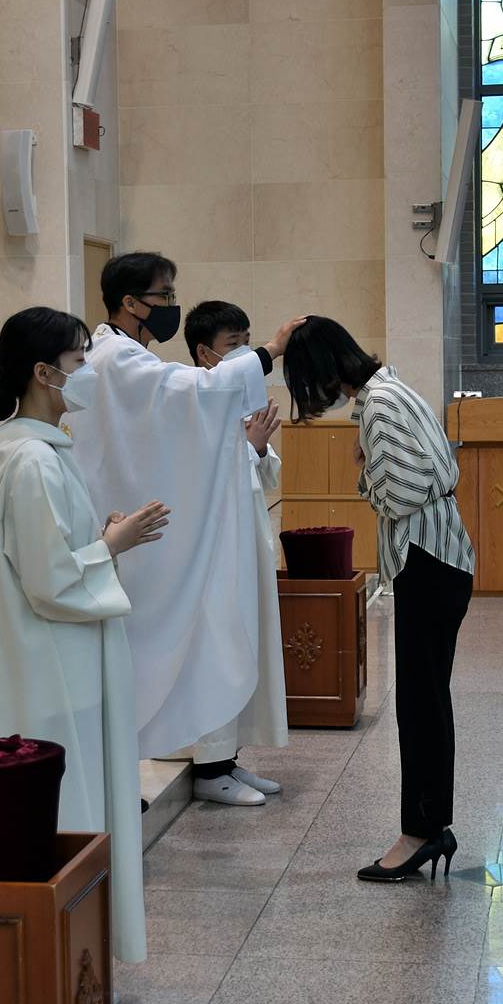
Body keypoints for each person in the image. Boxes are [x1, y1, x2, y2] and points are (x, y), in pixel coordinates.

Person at [0, 307, 172, 987]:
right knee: (66, 816)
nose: (89, 372)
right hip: (54, 671)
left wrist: (99, 539)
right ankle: (63, 987)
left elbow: (53, 557)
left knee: (80, 813)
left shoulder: (42, 452)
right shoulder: (30, 463)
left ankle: (79, 981)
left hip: (61, 661)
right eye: (79, 361)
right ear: (44, 373)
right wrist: (112, 544)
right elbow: (50, 583)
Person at [65, 252, 302, 778]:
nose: (172, 304)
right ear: (130, 302)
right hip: (142, 530)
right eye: (164, 295)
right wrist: (271, 350)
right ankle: (199, 759)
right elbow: (199, 391)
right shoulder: (116, 358)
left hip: (162, 522)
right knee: (184, 638)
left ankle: (219, 758)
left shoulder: (128, 355)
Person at [283, 318, 474, 883]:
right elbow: (437, 471)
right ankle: (428, 825)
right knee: (425, 700)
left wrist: (365, 477)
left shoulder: (380, 405)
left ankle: (421, 831)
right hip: (439, 559)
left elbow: (405, 492)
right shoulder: (389, 389)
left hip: (427, 562)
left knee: (420, 705)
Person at [176, 300, 290, 806]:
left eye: (248, 341)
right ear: (205, 354)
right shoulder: (188, 401)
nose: (244, 352)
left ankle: (228, 760)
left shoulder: (235, 401)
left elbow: (265, 474)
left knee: (243, 647)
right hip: (212, 553)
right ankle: (208, 768)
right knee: (217, 652)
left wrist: (258, 447)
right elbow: (197, 476)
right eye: (234, 345)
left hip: (246, 545)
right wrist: (247, 445)